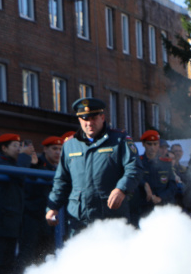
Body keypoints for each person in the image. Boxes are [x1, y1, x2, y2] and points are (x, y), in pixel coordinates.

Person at [46, 98, 140, 237]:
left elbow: (134, 167)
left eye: (93, 118)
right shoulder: (70, 145)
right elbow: (62, 180)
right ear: (79, 120)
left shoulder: (119, 139)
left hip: (110, 217)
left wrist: (121, 189)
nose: (89, 123)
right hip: (79, 218)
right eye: (84, 119)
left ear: (102, 117)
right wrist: (52, 207)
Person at [15, 135, 62, 274]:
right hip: (33, 217)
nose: (58, 153)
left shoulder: (61, 167)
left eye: (60, 149)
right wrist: (33, 164)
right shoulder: (36, 163)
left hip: (52, 218)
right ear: (45, 149)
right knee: (28, 255)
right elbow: (27, 186)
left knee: (48, 253)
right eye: (54, 149)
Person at [0, 134, 25, 274]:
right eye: (15, 145)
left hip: (10, 224)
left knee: (6, 265)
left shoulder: (12, 163)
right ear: (4, 148)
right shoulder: (2, 163)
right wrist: (24, 157)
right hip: (2, 224)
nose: (19, 149)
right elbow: (19, 175)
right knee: (0, 264)